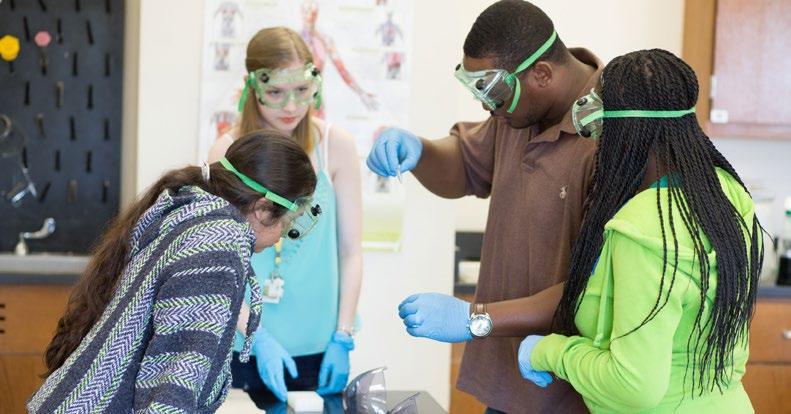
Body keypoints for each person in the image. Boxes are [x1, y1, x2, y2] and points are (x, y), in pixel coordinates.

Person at [367, 1, 598, 412]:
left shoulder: (608, 132)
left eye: (493, 93)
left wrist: (475, 318)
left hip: (567, 389)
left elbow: (595, 290)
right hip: (506, 385)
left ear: (542, 74)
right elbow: (465, 165)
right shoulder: (518, 113)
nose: (486, 107)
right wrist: (419, 151)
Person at [518, 49, 762, 413]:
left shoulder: (642, 227)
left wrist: (547, 351)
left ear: (622, 130)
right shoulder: (726, 191)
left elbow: (634, 385)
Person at [28, 131, 320, 413]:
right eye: (288, 222)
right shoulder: (218, 244)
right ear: (262, 208)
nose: (282, 235)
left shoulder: (193, 211)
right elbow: (172, 386)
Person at [207, 27, 363, 405]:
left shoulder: (335, 146)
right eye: (275, 93)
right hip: (244, 338)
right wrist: (255, 335)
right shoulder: (226, 152)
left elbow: (351, 251)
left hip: (318, 342)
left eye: (302, 91)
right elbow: (216, 261)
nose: (291, 107)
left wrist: (342, 335)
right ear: (253, 87)